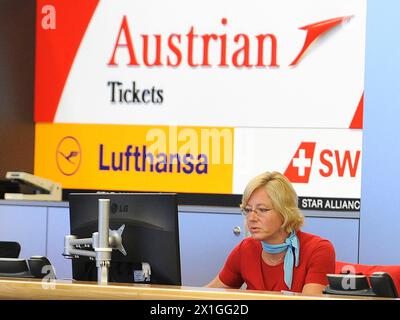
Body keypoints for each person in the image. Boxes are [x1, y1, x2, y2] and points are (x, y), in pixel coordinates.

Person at [206, 171, 335, 295]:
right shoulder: (245, 249)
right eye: (248, 210)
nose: (251, 218)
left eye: (262, 209)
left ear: (285, 212)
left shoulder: (318, 250)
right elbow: (204, 295)